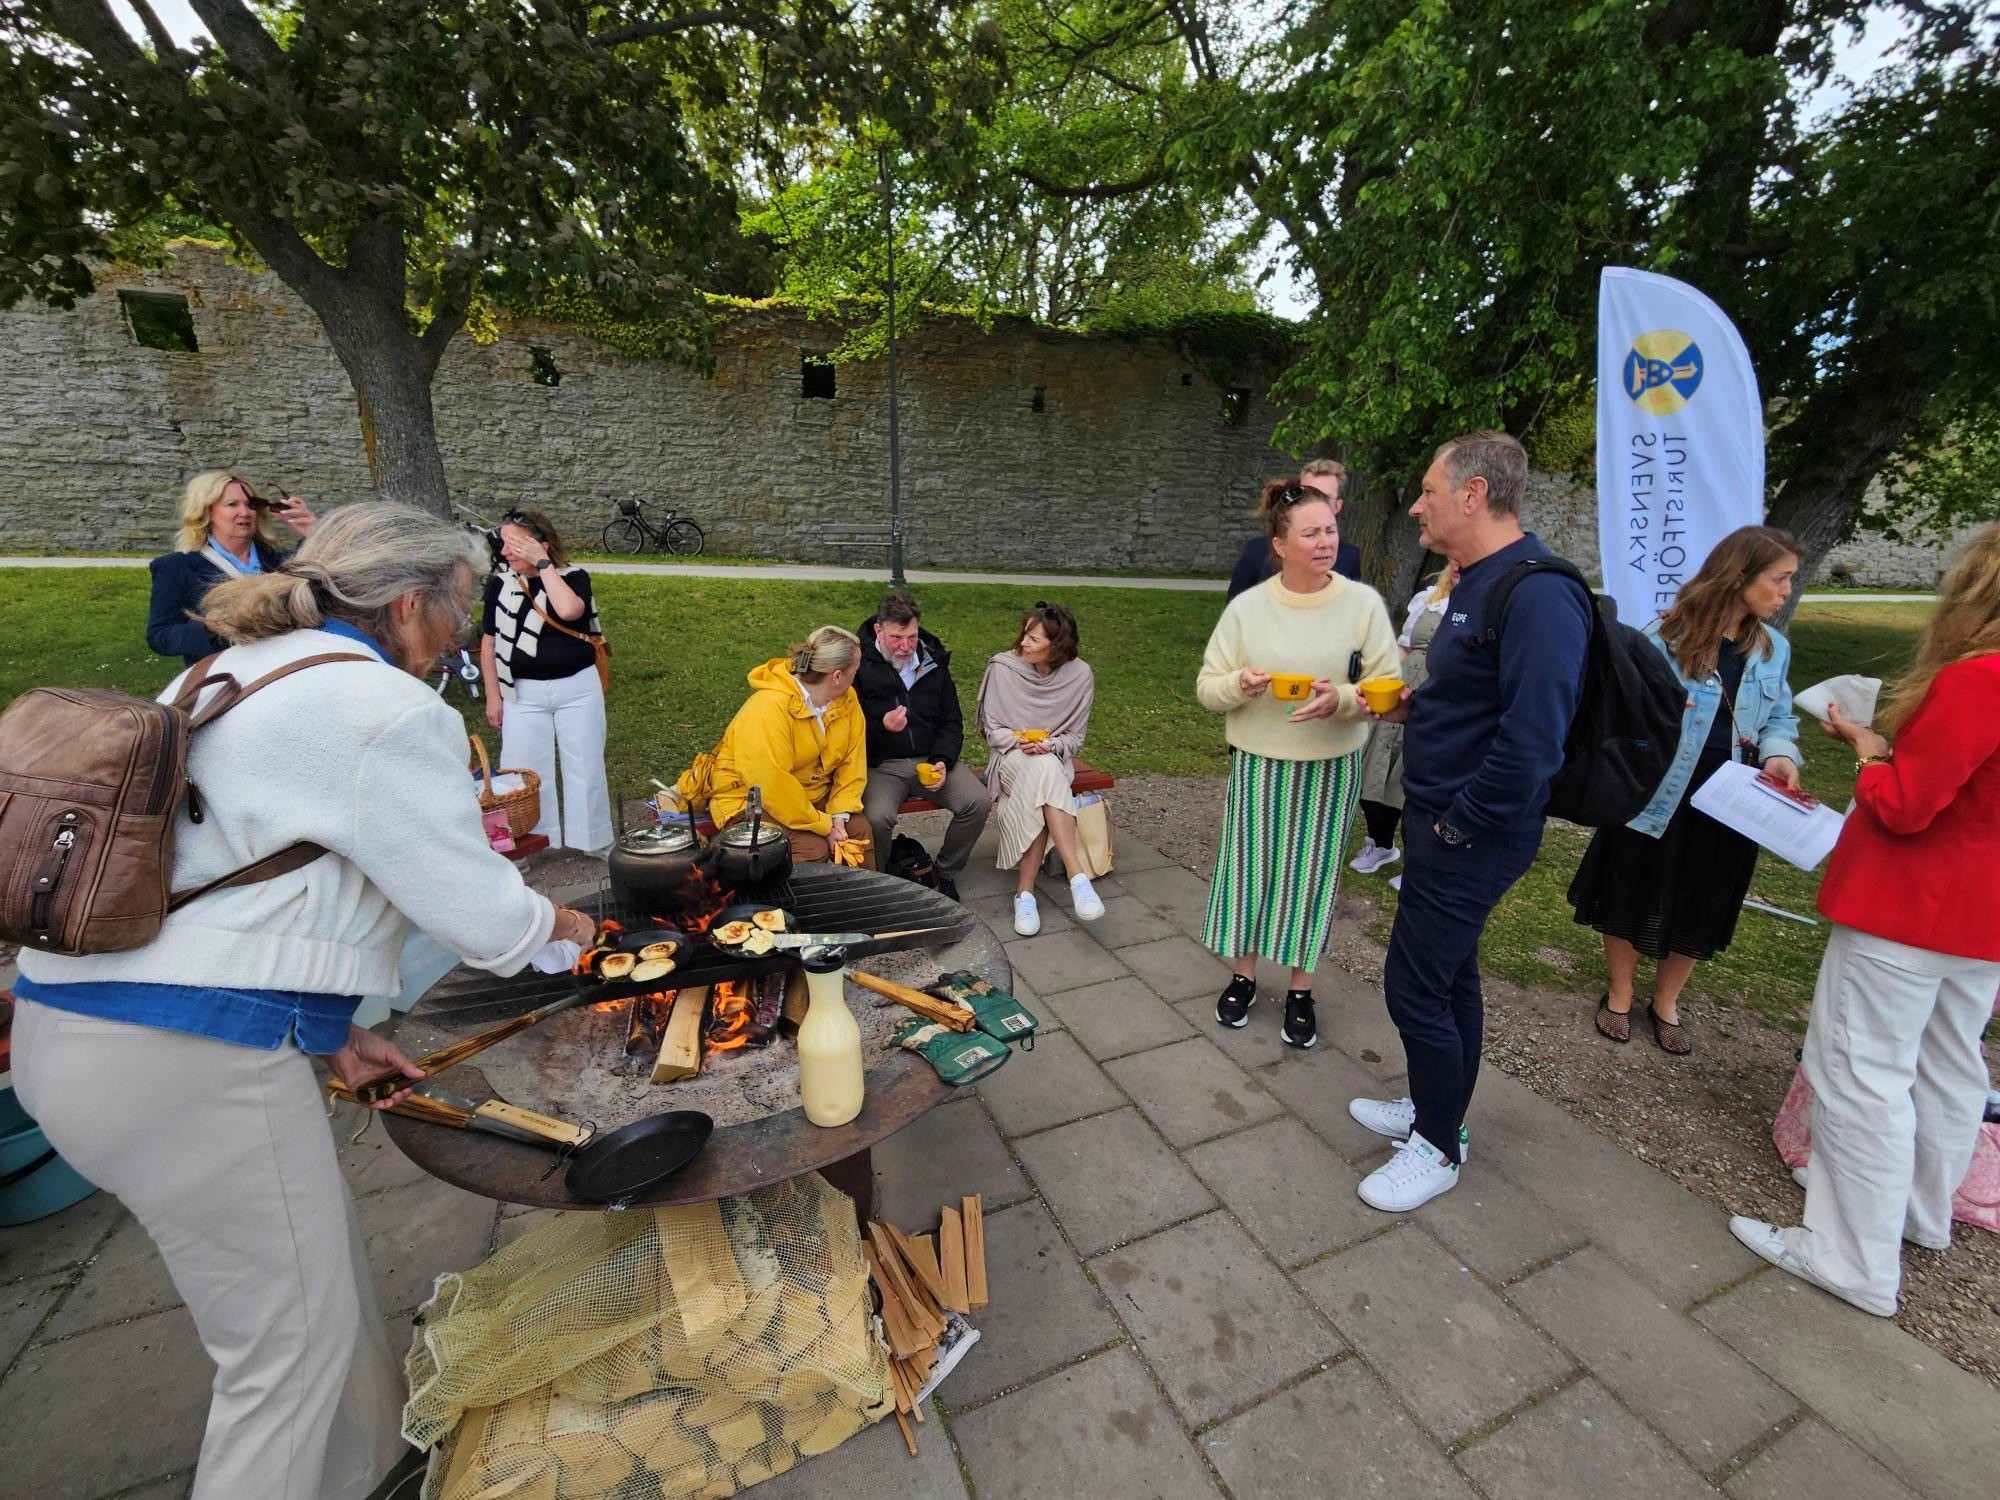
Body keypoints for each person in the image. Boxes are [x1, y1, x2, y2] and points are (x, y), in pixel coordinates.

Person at [10, 502, 600, 1500]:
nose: (458, 635)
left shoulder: (235, 671)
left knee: (319, 1301)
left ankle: (373, 1472)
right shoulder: (378, 707)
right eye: (456, 609)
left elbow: (256, 876)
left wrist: (332, 1039)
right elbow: (486, 920)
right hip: (177, 1062)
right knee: (283, 1356)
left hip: (81, 1030)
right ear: (410, 604)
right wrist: (577, 930)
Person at [1729, 522, 2000, 1317]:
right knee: (1950, 1063)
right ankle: (1919, 1213)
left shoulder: (1978, 678)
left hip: (1912, 907)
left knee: (1861, 1076)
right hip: (1981, 917)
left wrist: (1873, 754)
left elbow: (1908, 806)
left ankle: (1849, 1254)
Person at [1346, 431, 1593, 1212]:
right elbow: (1482, 695)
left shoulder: (1538, 591)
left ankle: (1439, 1148)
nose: (1416, 505)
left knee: (1415, 986)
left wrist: (1459, 824)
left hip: (1472, 829)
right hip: (1443, 814)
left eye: (1427, 490)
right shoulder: (1477, 580)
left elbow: (1534, 739)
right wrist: (1423, 706)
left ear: (1473, 494)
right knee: (1450, 976)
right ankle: (1436, 1108)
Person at [1569, 526, 1803, 1053]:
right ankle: (1622, 992)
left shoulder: (1774, 650)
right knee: (1632, 885)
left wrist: (1781, 754)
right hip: (1661, 792)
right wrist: (1659, 713)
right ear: (1739, 577)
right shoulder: (1665, 636)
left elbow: (1780, 717)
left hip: (1735, 797)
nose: (1787, 591)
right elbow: (1618, 706)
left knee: (1706, 895)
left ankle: (1667, 1001)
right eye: (1780, 579)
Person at [1197, 480, 1400, 1047]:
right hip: (1260, 763)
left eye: (1330, 529)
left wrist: (1343, 698)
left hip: (1330, 767)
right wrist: (1240, 684)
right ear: (1280, 544)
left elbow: (1388, 689)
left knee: (1309, 881)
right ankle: (1243, 978)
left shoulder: (1362, 604)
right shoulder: (1249, 608)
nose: (1324, 542)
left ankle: (1301, 989)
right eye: (1309, 533)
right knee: (1251, 874)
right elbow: (1208, 688)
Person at [478, 509, 613, 854]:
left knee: (585, 765)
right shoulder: (500, 584)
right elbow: (489, 642)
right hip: (521, 692)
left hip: (578, 688)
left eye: (513, 544)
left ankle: (593, 840)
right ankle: (532, 842)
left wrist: (543, 566)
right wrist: (493, 697)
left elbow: (569, 610)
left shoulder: (574, 577)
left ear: (541, 544)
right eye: (503, 544)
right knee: (524, 772)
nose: (504, 552)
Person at [853, 591, 988, 901]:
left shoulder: (933, 662)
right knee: (876, 817)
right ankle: (885, 875)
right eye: (896, 637)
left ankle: (943, 872)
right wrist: (882, 728)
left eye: (911, 637)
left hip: (930, 760)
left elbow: (951, 721)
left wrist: (942, 759)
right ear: (878, 631)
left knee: (977, 802)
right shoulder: (859, 665)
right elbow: (847, 733)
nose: (905, 646)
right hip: (881, 764)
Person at [976, 602, 1101, 934]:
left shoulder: (1080, 675)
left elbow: (1073, 738)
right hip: (1008, 758)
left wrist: (1051, 745)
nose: (1023, 643)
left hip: (1053, 759)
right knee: (1043, 773)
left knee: (1043, 775)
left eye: (1034, 639)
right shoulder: (1004, 667)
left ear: (1057, 647)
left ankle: (1025, 894)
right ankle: (1077, 877)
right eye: (1025, 635)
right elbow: (992, 730)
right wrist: (1021, 742)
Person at [706, 625, 875, 867]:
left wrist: (839, 816)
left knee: (858, 833)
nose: (857, 675)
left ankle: (863, 902)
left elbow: (852, 764)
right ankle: (787, 906)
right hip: (751, 799)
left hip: (807, 798)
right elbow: (773, 785)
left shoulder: (847, 699)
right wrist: (824, 826)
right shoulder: (768, 708)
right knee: (811, 849)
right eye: (855, 670)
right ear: (837, 676)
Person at [1351, 565, 1458, 890]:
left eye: (1463, 564)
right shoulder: (1430, 599)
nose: (1457, 568)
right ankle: (1381, 845)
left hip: (1441, 696)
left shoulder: (1485, 606)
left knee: (1413, 780)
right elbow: (1405, 647)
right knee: (1378, 769)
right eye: (1452, 563)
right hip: (1404, 688)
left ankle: (1419, 861)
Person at [147, 470, 318, 665]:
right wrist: (207, 627)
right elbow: (160, 636)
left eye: (250, 505)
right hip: (226, 679)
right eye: (232, 505)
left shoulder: (281, 562)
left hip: (284, 670)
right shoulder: (176, 566)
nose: (244, 513)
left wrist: (312, 531)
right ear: (207, 512)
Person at [1226, 458, 1361, 600]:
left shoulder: (1350, 556)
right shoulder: (1257, 551)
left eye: (1323, 497)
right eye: (1307, 494)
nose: (1314, 502)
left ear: (1338, 506)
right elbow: (1234, 609)